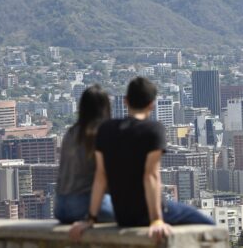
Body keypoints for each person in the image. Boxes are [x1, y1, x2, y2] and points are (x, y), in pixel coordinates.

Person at [69, 77, 214, 242]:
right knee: (210, 226)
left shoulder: (106, 129)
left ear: (125, 101)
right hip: (148, 213)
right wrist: (156, 219)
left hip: (123, 215)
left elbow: (100, 177)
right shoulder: (153, 130)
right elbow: (151, 176)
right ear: (152, 105)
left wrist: (91, 218)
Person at [55, 84, 114, 224]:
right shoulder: (102, 133)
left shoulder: (70, 133)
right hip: (85, 206)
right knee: (137, 211)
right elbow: (105, 175)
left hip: (61, 207)